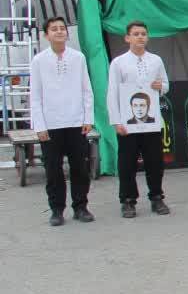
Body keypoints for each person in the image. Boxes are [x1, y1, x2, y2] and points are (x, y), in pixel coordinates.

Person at [30, 16, 95, 227]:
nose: (59, 32)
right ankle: (57, 209)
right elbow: (36, 96)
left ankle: (81, 206)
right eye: (54, 29)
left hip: (76, 122)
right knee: (53, 169)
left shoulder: (78, 58)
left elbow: (87, 89)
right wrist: (39, 126)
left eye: (62, 28)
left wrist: (88, 118)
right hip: (51, 124)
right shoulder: (39, 61)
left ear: (67, 33)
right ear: (46, 35)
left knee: (79, 167)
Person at [108, 20, 170, 218]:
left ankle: (156, 197)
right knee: (127, 163)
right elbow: (112, 93)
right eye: (136, 34)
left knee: (155, 162)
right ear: (127, 38)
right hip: (128, 123)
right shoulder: (119, 62)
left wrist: (160, 86)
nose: (140, 37)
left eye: (143, 33)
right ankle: (127, 200)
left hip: (151, 122)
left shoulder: (156, 60)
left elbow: (165, 85)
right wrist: (116, 121)